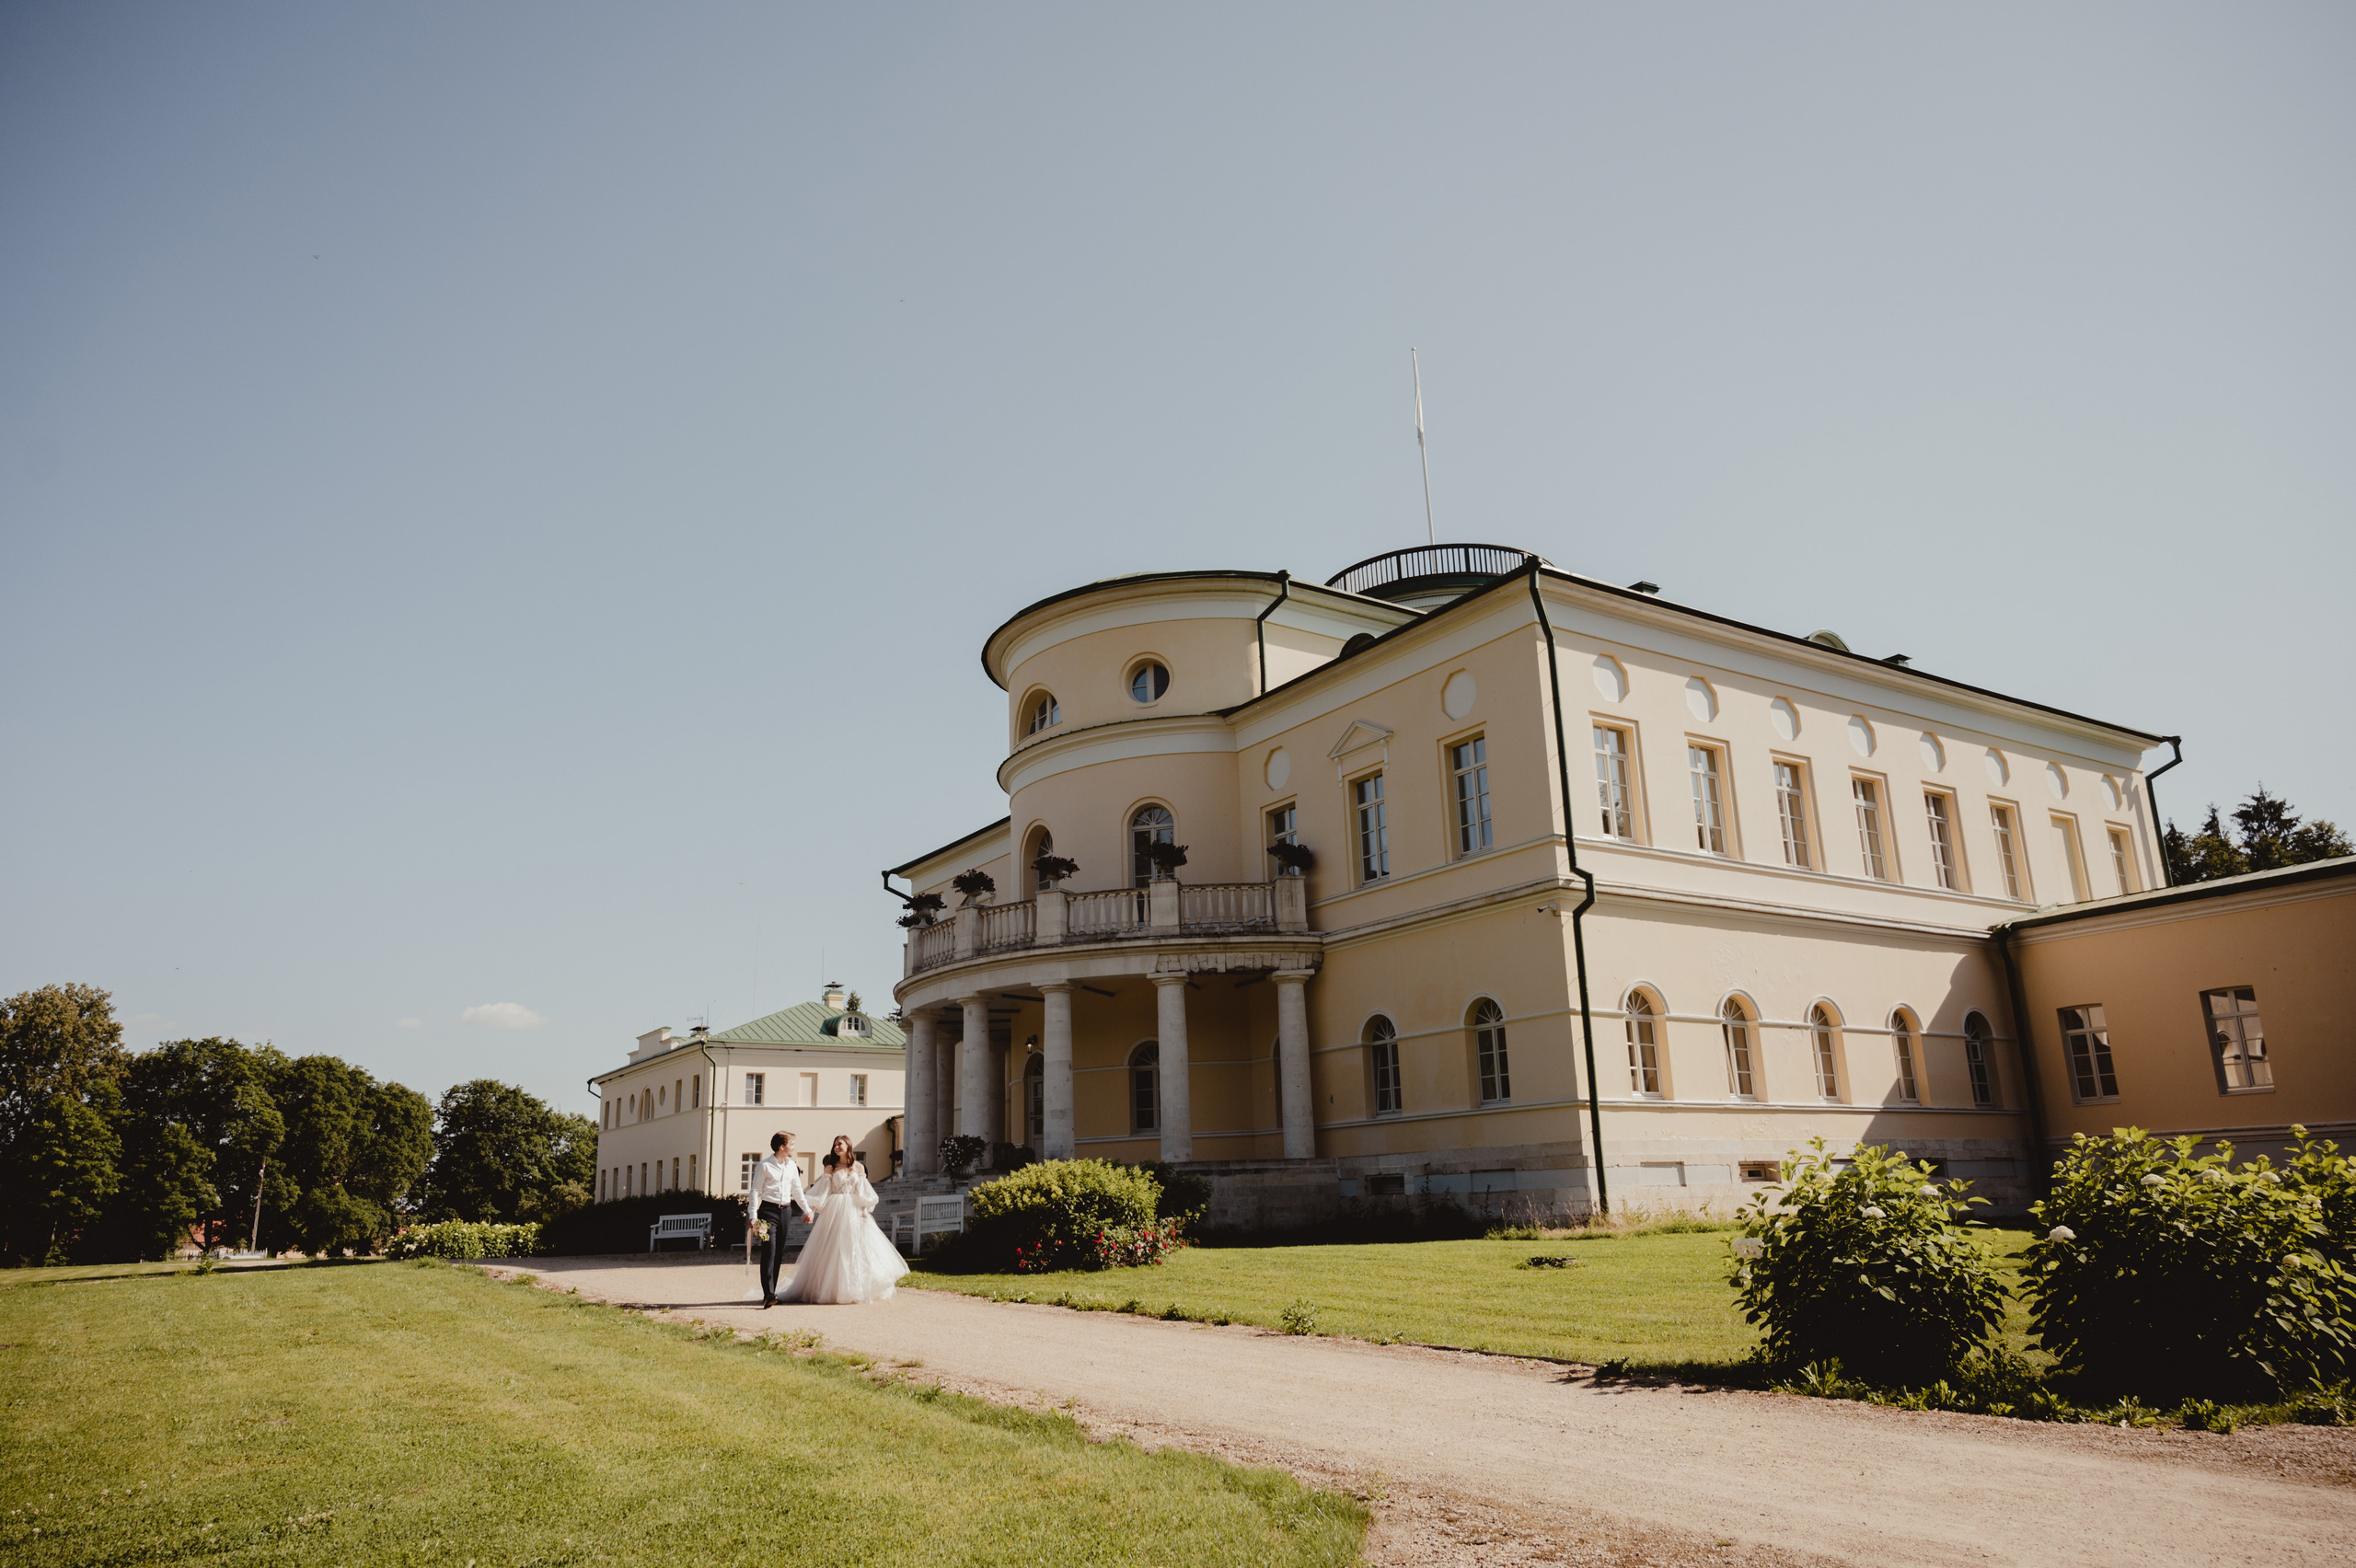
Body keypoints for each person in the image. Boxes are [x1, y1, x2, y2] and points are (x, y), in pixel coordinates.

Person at [780, 1135, 909, 1304]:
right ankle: (830, 1289)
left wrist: (864, 1208)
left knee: (855, 1247)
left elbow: (863, 1191)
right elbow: (823, 1192)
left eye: (839, 1144)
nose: (836, 1147)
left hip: (854, 1210)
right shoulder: (830, 1168)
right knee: (834, 1248)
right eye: (834, 1145)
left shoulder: (859, 1167)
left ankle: (855, 1287)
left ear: (848, 1145)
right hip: (835, 1209)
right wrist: (811, 1208)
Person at [745, 1132, 814, 1308]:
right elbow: (755, 1191)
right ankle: (768, 1294)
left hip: (786, 1212)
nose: (794, 1147)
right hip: (768, 1211)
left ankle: (772, 1292)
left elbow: (797, 1190)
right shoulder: (765, 1166)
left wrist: (807, 1210)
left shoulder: (792, 1166)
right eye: (792, 1144)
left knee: (779, 1252)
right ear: (782, 1146)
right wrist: (753, 1215)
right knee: (769, 1250)